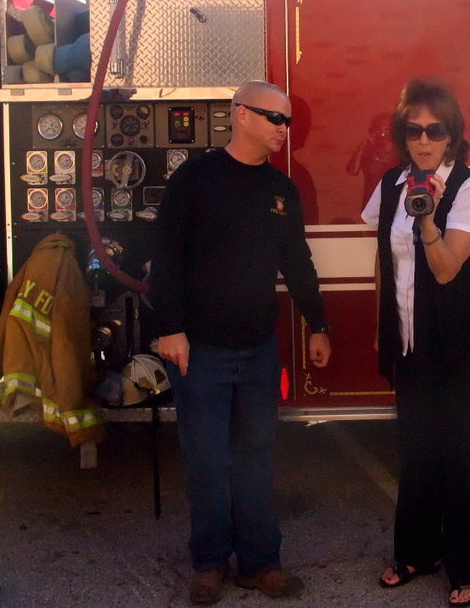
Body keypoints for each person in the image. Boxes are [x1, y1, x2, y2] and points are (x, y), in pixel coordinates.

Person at [149, 80, 332, 606]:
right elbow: (167, 256)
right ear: (240, 116)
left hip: (257, 350)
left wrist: (318, 325)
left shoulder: (281, 191)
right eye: (274, 118)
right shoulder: (196, 179)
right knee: (206, 459)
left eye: (288, 121)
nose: (283, 129)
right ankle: (209, 563)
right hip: (200, 350)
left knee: (256, 458)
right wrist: (171, 328)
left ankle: (260, 563)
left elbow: (297, 262)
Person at [363, 78, 470, 608]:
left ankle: (466, 566)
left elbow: (445, 271)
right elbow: (383, 261)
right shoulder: (391, 184)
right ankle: (416, 553)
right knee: (417, 450)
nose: (423, 140)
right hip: (412, 340)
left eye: (434, 131)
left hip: (464, 342)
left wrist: (425, 219)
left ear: (452, 136)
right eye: (413, 130)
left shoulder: (469, 187)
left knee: (463, 453)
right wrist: (386, 331)